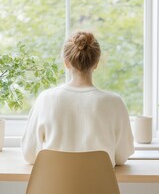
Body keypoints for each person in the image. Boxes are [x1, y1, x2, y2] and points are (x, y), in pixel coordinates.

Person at [21, 31, 134, 166]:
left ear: (66, 62)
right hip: (99, 187)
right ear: (96, 63)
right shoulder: (114, 102)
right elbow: (121, 157)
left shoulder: (45, 99)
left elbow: (29, 155)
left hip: (54, 186)